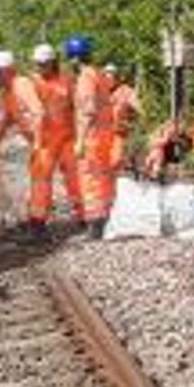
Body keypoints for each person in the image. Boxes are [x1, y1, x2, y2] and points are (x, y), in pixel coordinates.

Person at [0, 49, 45, 239]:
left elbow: (39, 113)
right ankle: (31, 224)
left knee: (38, 185)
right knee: (31, 183)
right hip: (36, 142)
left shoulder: (21, 85)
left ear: (7, 71)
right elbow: (1, 124)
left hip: (45, 142)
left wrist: (39, 144)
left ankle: (37, 228)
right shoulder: (7, 94)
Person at [65, 35, 114, 239]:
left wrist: (80, 141)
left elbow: (88, 111)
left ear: (74, 58)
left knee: (89, 180)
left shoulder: (85, 77)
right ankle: (104, 219)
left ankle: (94, 226)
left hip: (92, 137)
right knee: (103, 178)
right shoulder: (100, 74)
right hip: (105, 135)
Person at [30, 44, 83, 229]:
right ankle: (38, 218)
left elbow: (78, 107)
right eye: (38, 64)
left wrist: (82, 137)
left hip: (68, 138)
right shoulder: (33, 83)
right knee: (40, 178)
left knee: (74, 177)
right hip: (45, 141)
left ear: (53, 63)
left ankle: (83, 215)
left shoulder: (67, 81)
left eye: (44, 64)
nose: (40, 67)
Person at [105, 63, 142, 174]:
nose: (109, 80)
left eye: (112, 76)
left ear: (117, 77)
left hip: (119, 134)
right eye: (106, 77)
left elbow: (140, 108)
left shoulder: (126, 91)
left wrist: (135, 114)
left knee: (115, 161)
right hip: (102, 135)